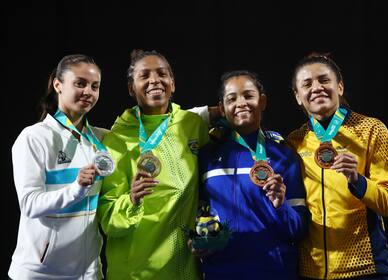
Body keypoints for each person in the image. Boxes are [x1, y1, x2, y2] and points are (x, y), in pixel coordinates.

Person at [98, 49, 209, 279]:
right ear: (131, 88)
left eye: (161, 73)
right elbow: (107, 220)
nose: (154, 80)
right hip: (135, 271)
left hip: (185, 268)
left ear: (173, 83)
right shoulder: (116, 140)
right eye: (144, 76)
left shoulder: (192, 125)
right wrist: (131, 200)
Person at [287, 53, 388, 279]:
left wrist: (358, 181)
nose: (316, 87)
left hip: (364, 267)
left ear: (340, 86)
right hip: (311, 270)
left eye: (324, 80)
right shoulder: (294, 141)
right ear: (298, 96)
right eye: (307, 84)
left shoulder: (371, 130)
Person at [196, 70, 309, 279]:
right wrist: (201, 239)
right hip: (220, 273)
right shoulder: (206, 156)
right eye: (231, 99)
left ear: (263, 101)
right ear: (222, 107)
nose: (241, 103)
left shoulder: (283, 156)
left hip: (273, 271)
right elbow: (199, 214)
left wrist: (281, 205)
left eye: (248, 95)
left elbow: (298, 230)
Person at [8, 54, 107, 279]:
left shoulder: (102, 139)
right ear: (58, 85)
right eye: (80, 83)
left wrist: (200, 114)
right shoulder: (34, 137)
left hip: (89, 273)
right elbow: (29, 204)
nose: (88, 92)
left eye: (95, 86)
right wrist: (77, 188)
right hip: (40, 273)